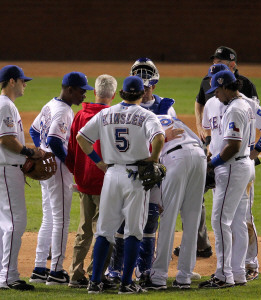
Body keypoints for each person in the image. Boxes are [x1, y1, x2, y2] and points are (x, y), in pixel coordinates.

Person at [77, 76, 165, 294]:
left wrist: (99, 162)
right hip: (135, 177)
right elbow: (159, 138)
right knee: (134, 231)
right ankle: (126, 284)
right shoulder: (146, 115)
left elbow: (82, 138)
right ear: (141, 93)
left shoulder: (106, 113)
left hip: (111, 175)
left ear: (123, 93)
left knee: (104, 231)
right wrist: (153, 159)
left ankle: (94, 282)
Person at [105, 58, 178, 283]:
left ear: (154, 85)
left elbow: (170, 145)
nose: (145, 91)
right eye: (141, 86)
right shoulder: (126, 107)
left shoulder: (166, 107)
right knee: (121, 220)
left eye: (148, 87)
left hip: (153, 173)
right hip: (128, 173)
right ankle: (115, 269)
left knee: (150, 220)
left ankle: (144, 268)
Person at [188, 46, 260, 260]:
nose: (213, 94)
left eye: (216, 89)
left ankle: (248, 263)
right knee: (222, 213)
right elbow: (201, 105)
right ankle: (227, 263)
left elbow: (246, 134)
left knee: (237, 217)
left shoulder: (242, 100)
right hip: (220, 163)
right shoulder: (214, 98)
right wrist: (206, 138)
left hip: (235, 163)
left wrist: (254, 151)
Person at [28, 72, 94, 285]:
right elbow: (56, 141)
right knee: (61, 220)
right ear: (69, 90)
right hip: (57, 169)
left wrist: (41, 149)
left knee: (49, 217)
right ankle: (56, 271)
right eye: (82, 90)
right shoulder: (65, 111)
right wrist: (71, 165)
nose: (84, 94)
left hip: (47, 167)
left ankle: (39, 268)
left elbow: (34, 130)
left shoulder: (50, 104)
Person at [202, 64, 261, 283]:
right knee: (237, 220)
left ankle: (223, 274)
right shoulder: (244, 105)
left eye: (217, 91)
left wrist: (213, 164)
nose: (216, 96)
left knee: (220, 221)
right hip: (242, 166)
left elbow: (232, 146)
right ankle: (237, 273)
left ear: (225, 87)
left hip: (232, 167)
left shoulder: (235, 109)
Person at [0, 65, 42, 291]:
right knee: (15, 223)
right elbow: (6, 139)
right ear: (11, 82)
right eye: (22, 80)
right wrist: (29, 152)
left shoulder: (0, 104)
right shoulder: (6, 106)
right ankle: (9, 277)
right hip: (5, 170)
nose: (25, 84)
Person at [141, 115, 206, 290]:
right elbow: (201, 144)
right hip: (199, 159)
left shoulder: (145, 122)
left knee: (168, 219)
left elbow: (144, 155)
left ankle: (159, 277)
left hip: (175, 159)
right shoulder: (173, 119)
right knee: (192, 220)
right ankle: (184, 277)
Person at [65, 74, 117, 288]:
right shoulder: (112, 116)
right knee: (105, 231)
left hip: (84, 181)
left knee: (84, 229)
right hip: (106, 182)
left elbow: (71, 148)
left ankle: (75, 275)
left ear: (95, 92)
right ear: (113, 95)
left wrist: (77, 172)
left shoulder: (79, 115)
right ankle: (97, 274)